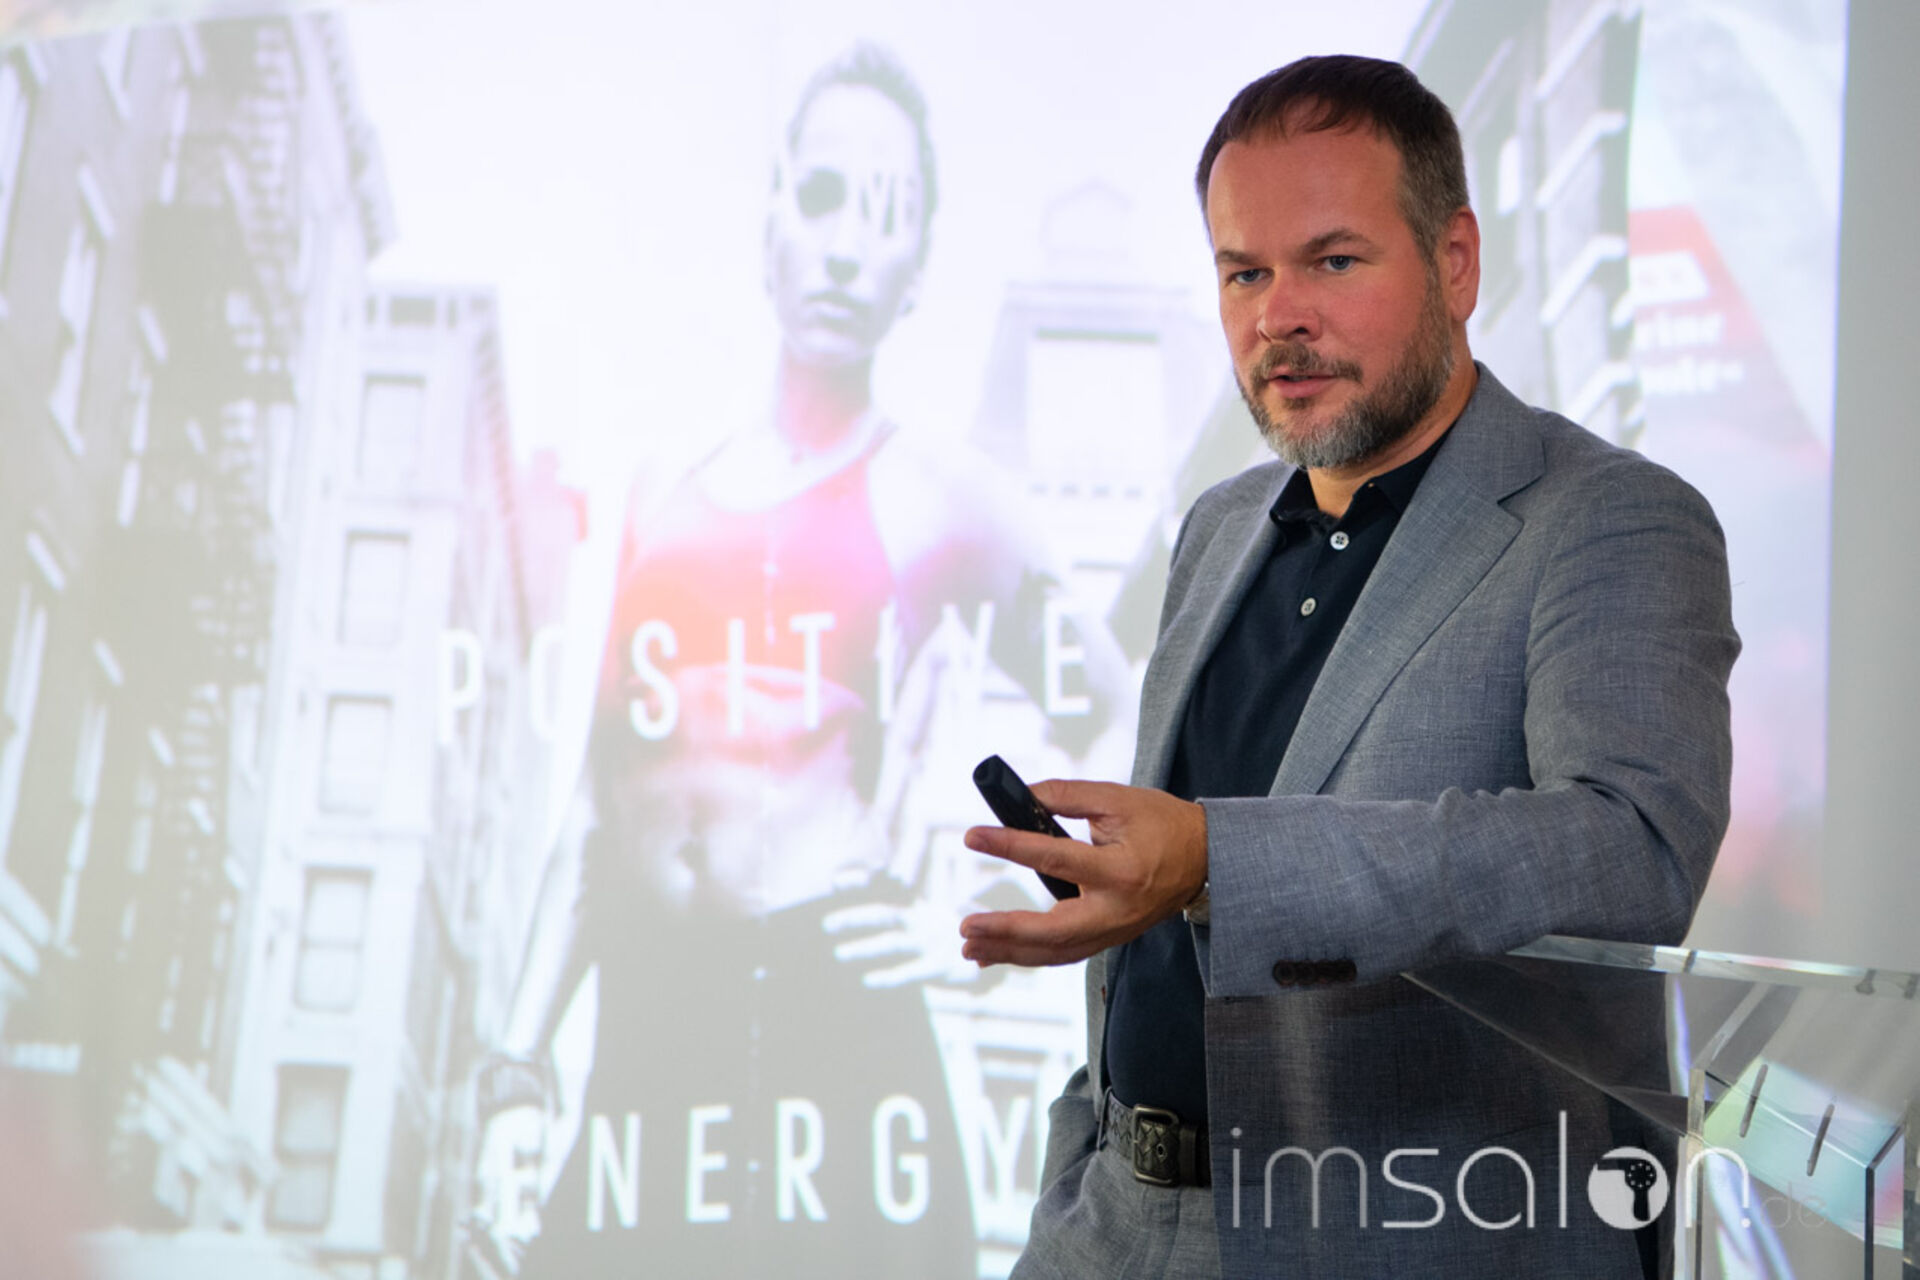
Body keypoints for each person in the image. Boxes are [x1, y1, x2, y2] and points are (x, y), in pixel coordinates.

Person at [959, 55, 1738, 1278]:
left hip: (1409, 1234)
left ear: (1457, 261)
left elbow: (1631, 852)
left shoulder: (1609, 517)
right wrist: (1087, 1157)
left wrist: (1216, 859)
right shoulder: (1219, 526)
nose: (1279, 315)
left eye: (1331, 261)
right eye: (1244, 272)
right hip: (1111, 1223)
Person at [468, 42, 1125, 1279]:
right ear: (772, 213)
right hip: (649, 1021)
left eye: (885, 215)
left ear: (917, 267)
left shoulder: (943, 497)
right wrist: (515, 1067)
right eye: (822, 197)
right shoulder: (663, 490)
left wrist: (990, 921)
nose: (844, 247)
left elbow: (1120, 706)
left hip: (839, 1019)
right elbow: (594, 815)